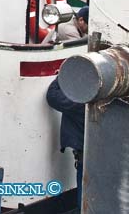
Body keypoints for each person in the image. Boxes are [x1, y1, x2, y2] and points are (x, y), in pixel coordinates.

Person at [47, 76, 85, 208]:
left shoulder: (82, 102)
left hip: (86, 159)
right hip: (109, 156)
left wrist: (65, 72)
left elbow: (52, 95)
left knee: (85, 199)